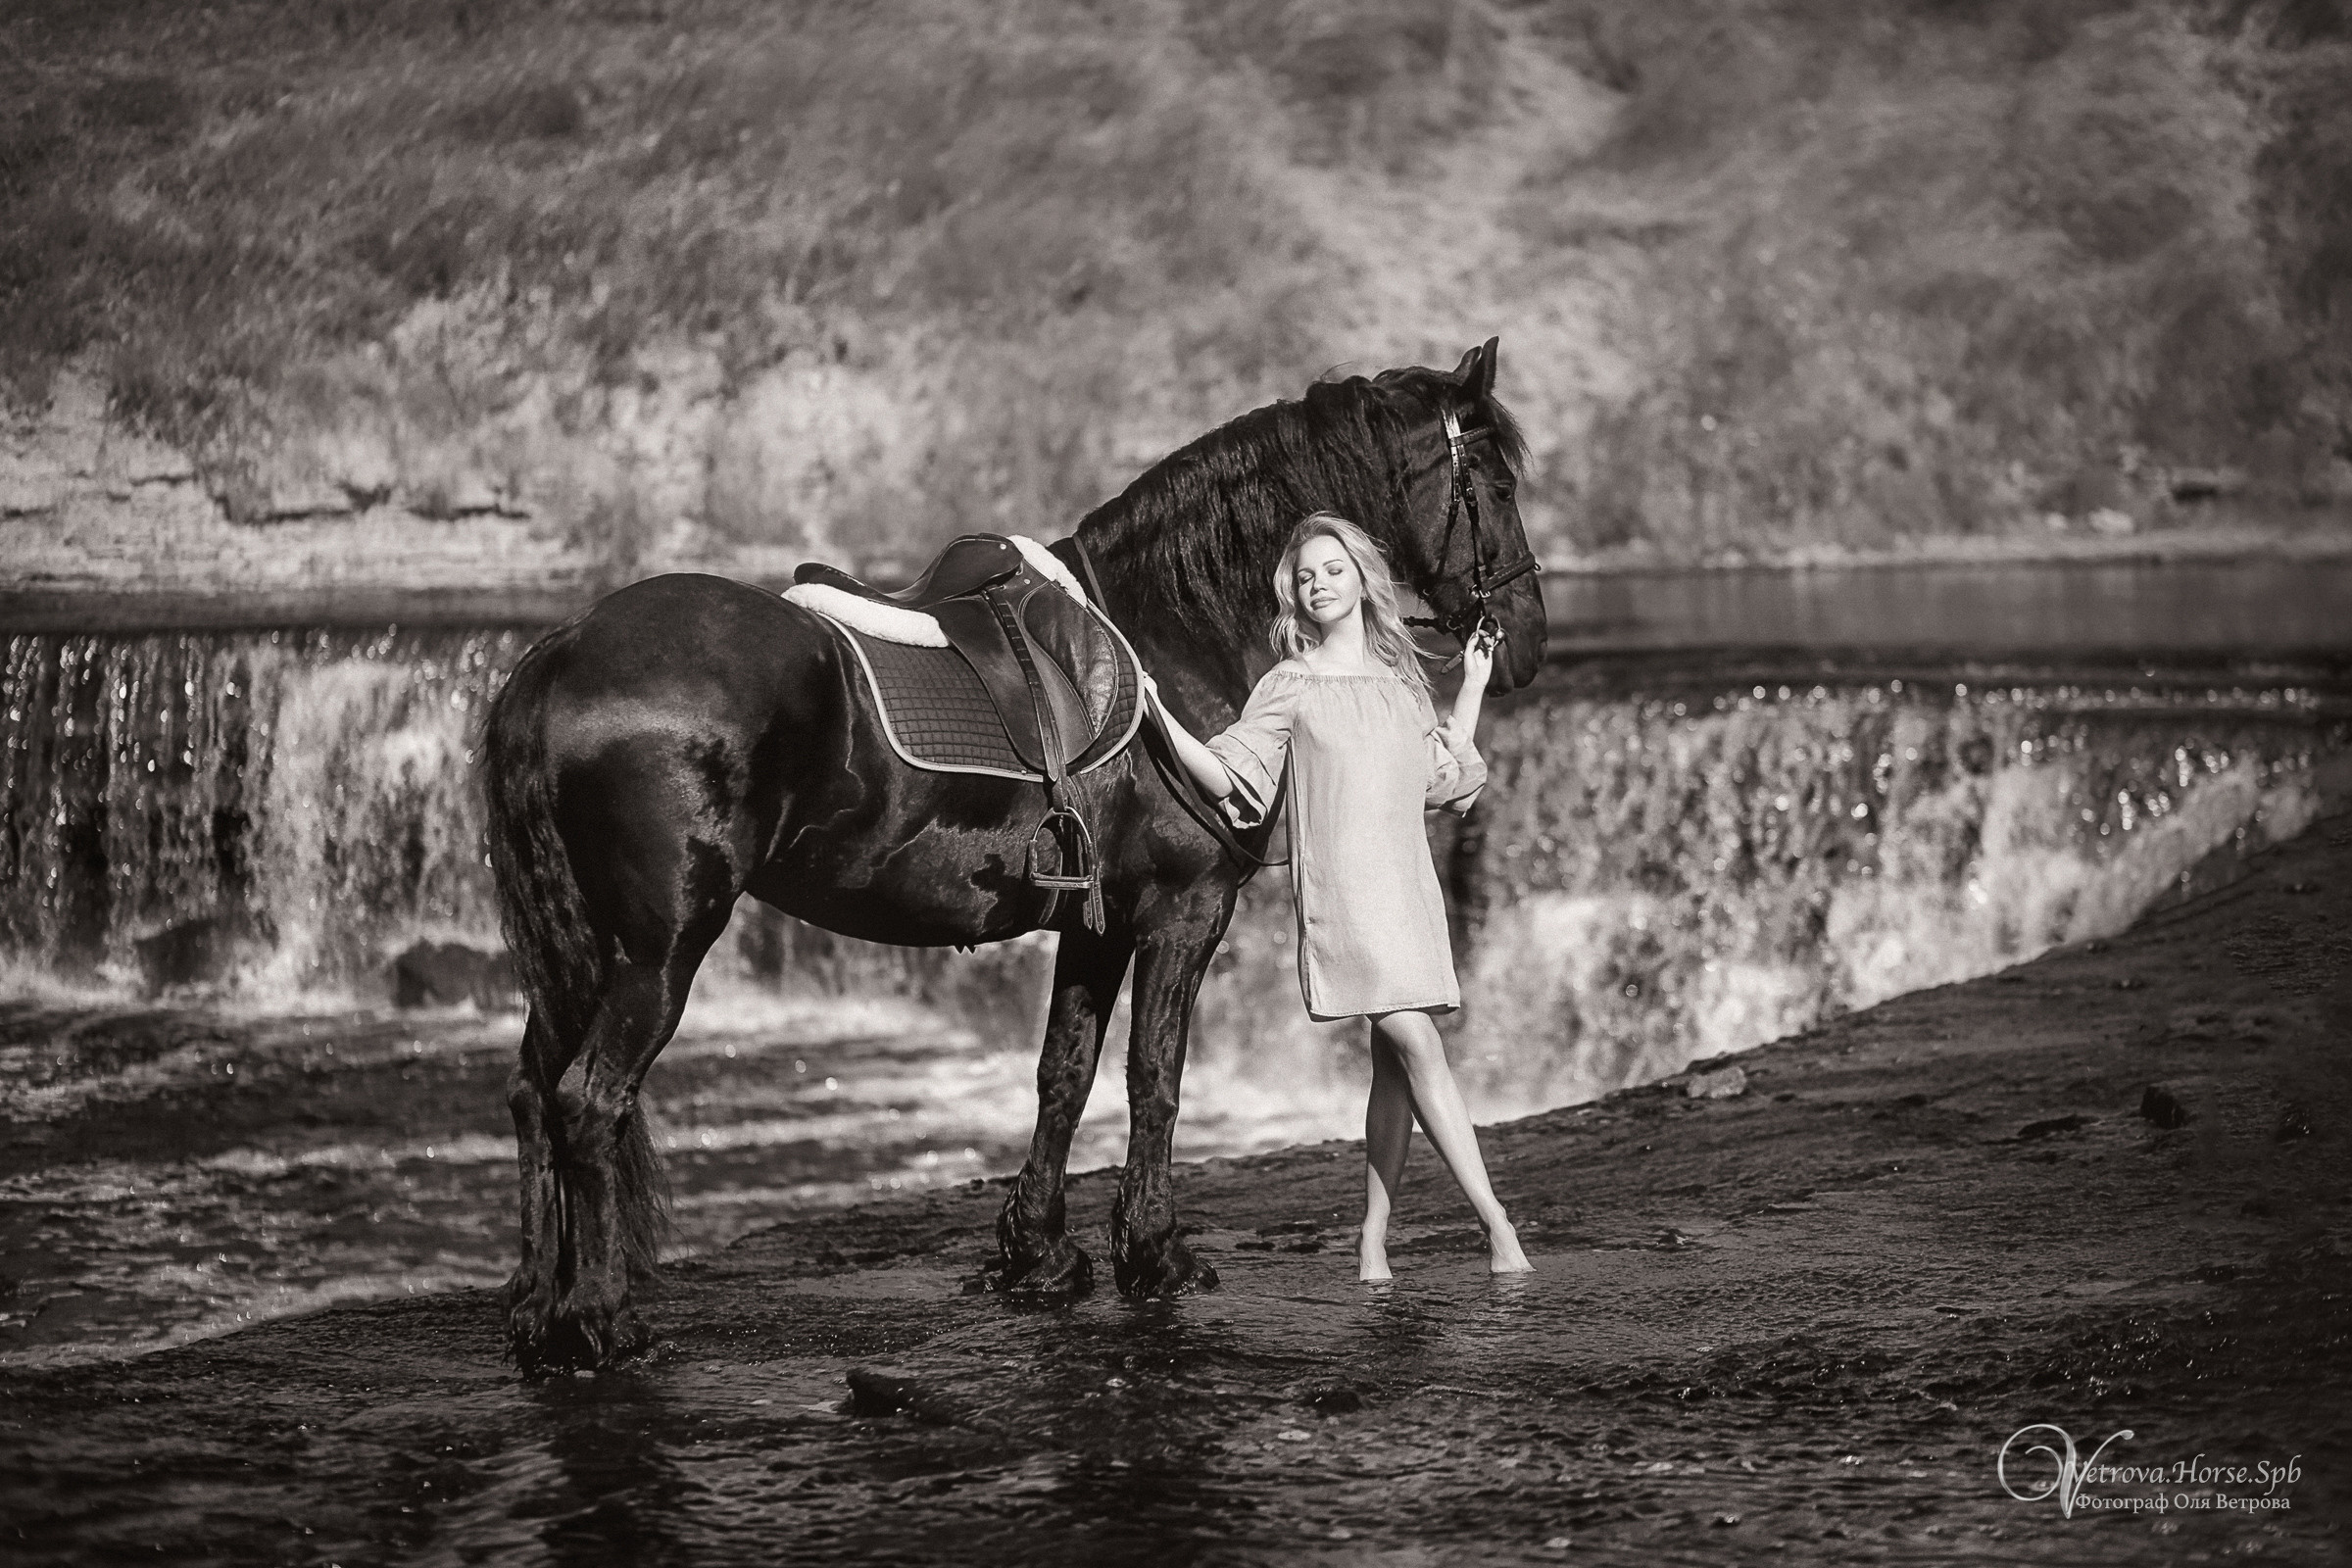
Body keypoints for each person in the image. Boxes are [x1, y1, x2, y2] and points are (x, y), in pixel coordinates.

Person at [1140, 511, 1534, 1280]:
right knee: (1418, 1042)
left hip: (1407, 890)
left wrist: (1476, 685)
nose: (1319, 584)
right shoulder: (1289, 684)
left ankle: (1372, 1240)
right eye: (1306, 576)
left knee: (1394, 1068)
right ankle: (1499, 1229)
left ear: (1361, 579)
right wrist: (1156, 713)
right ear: (1296, 594)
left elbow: (1445, 782)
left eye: (1332, 570)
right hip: (1346, 896)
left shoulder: (1399, 683)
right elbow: (1233, 778)